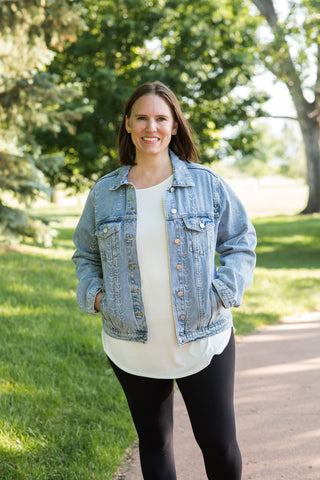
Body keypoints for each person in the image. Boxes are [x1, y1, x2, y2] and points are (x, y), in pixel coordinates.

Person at [72, 81, 257, 480]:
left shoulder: (205, 183)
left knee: (219, 443)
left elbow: (241, 241)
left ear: (174, 126)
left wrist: (222, 292)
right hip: (131, 343)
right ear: (127, 124)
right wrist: (99, 297)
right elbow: (85, 255)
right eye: (141, 117)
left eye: (160, 118)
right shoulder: (104, 192)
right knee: (155, 444)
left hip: (203, 336)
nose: (150, 126)